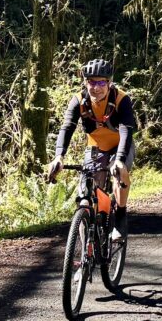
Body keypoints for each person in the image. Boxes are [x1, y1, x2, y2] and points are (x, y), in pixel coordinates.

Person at [45, 59, 137, 239]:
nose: (96, 87)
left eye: (101, 82)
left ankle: (120, 215)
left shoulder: (121, 99)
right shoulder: (78, 100)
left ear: (109, 83)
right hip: (96, 147)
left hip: (121, 146)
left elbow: (126, 129)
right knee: (85, 199)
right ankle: (85, 251)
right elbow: (67, 127)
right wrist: (59, 157)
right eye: (91, 82)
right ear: (85, 82)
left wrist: (119, 159)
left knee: (120, 173)